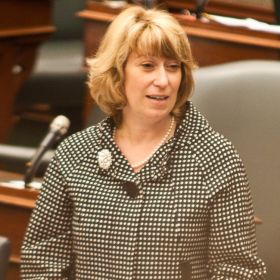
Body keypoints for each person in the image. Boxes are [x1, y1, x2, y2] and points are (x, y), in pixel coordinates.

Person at [21, 6, 266, 280]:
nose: (163, 80)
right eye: (148, 66)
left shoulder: (215, 158)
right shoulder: (75, 153)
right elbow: (42, 263)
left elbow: (239, 271)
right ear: (117, 72)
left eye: (173, 67)